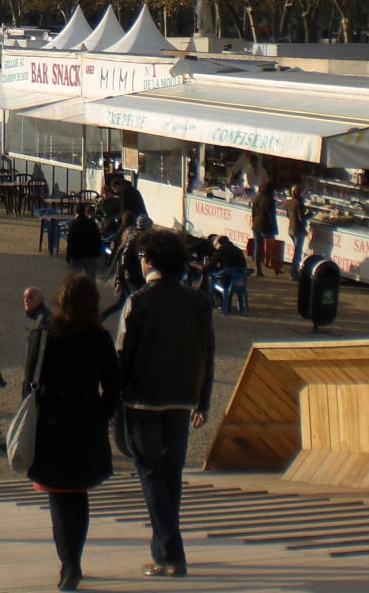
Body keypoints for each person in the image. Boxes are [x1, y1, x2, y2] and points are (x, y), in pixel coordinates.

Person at [118, 228, 216, 579]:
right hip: (181, 398)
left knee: (150, 473)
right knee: (171, 474)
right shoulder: (199, 301)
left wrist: (115, 400)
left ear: (148, 261)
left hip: (143, 399)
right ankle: (168, 545)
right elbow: (208, 351)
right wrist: (202, 400)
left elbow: (123, 354)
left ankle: (170, 552)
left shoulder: (140, 300)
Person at [24, 271, 120, 592]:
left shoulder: (45, 333)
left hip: (52, 422)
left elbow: (29, 384)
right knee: (79, 494)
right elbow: (114, 387)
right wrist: (102, 413)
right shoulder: (99, 337)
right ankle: (74, 560)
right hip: (86, 420)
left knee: (59, 497)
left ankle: (69, 565)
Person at [21, 285, 53, 396]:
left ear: (40, 299)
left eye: (30, 297)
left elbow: (38, 353)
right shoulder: (35, 317)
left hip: (37, 381)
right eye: (24, 297)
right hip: (32, 377)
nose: (26, 300)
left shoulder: (43, 320)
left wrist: (31, 380)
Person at [65, 202, 104, 280]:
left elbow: (70, 242)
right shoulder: (92, 223)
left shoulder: (73, 224)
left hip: (77, 256)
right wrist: (98, 255)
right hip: (90, 255)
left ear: (75, 212)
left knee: (75, 280)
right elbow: (98, 240)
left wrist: (68, 257)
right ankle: (91, 292)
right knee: (91, 280)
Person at [250, 181, 279, 277]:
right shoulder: (270, 200)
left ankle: (258, 269)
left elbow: (253, 213)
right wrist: (275, 228)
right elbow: (272, 216)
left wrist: (254, 223)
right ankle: (276, 269)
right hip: (266, 226)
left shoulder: (257, 198)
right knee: (272, 248)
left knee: (258, 248)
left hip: (256, 226)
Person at [285, 184, 311, 279]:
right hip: (298, 230)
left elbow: (288, 215)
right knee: (298, 252)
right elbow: (302, 218)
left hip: (291, 229)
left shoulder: (289, 202)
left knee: (297, 251)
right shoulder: (299, 203)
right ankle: (294, 274)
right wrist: (311, 214)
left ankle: (294, 272)